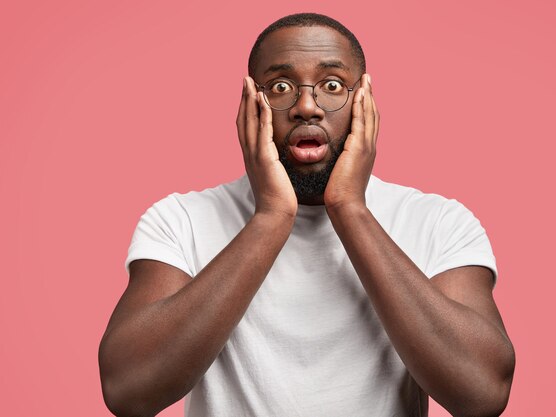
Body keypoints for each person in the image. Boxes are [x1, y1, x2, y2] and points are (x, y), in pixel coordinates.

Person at [99, 13, 515, 417]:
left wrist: (350, 207)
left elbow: (482, 395)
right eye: (280, 86)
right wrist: (271, 216)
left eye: (332, 84)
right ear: (251, 102)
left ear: (364, 101)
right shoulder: (180, 220)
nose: (307, 106)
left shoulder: (439, 222)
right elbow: (128, 391)